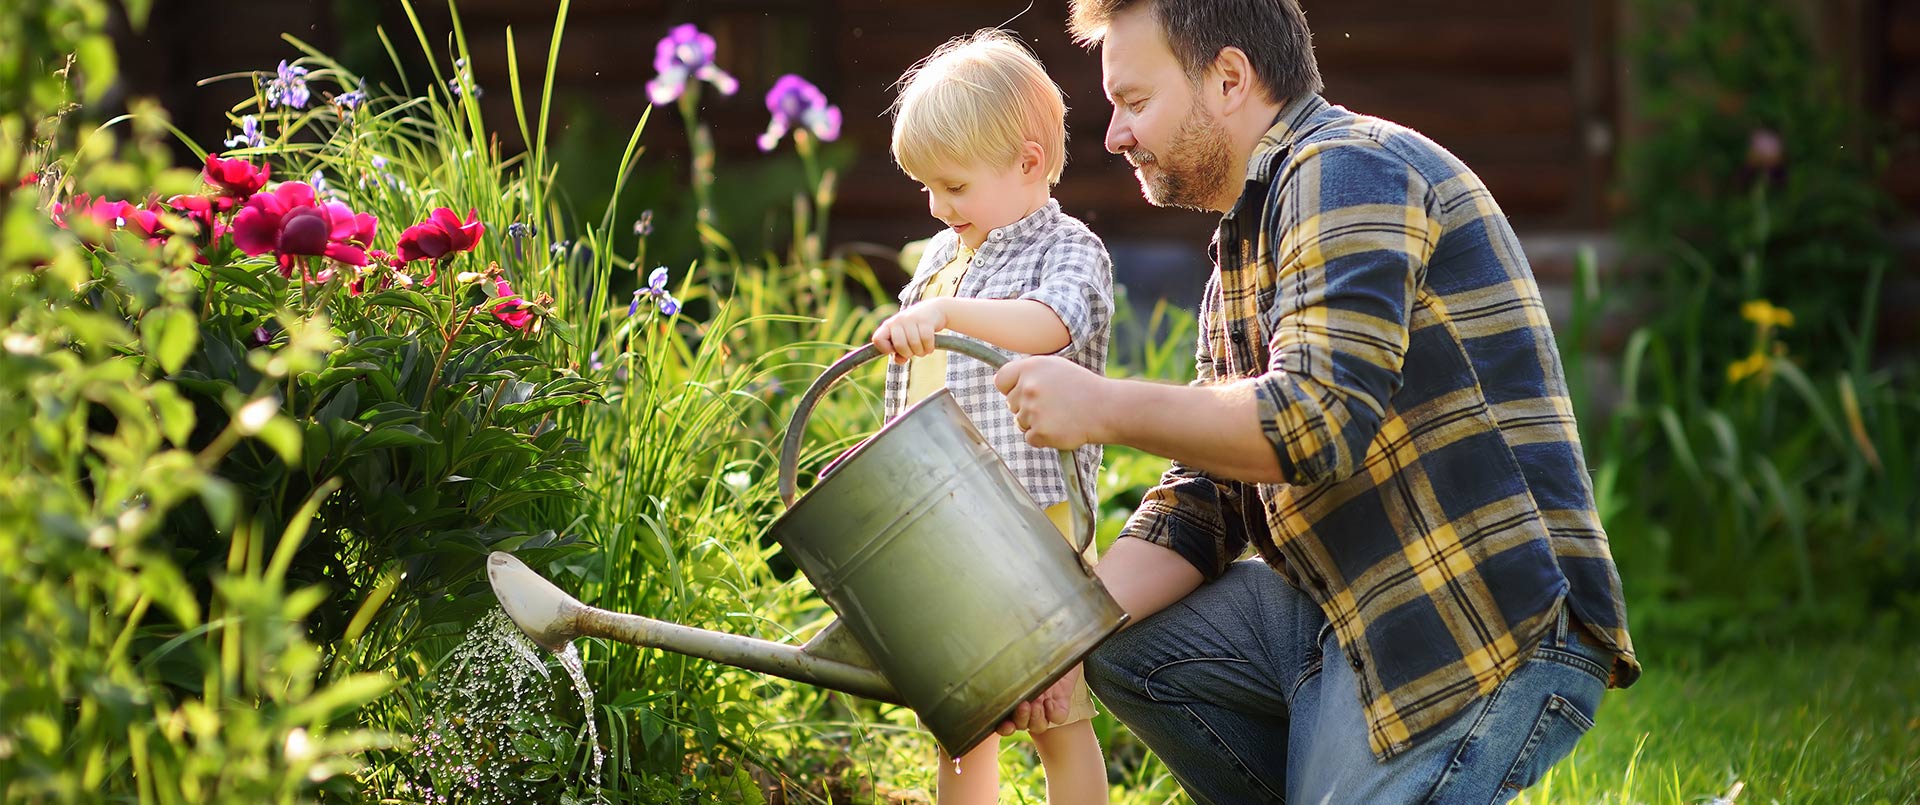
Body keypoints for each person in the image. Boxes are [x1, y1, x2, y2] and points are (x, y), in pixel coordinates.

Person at [990, 1, 1642, 801]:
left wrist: (1103, 405)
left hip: (1473, 623)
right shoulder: (1244, 247)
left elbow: (1314, 420)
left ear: (1229, 78)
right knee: (1121, 640)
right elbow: (1206, 498)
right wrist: (1051, 639)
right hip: (1348, 623)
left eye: (1134, 101)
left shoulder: (1348, 168)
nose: (1115, 135)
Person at [873, 28, 1117, 805]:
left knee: (1055, 712)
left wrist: (947, 312)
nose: (941, 208)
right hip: (942, 517)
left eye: (954, 186)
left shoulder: (1069, 250)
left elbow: (1051, 323)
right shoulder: (940, 262)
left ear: (1028, 162)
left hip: (1030, 518)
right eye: (927, 190)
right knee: (960, 712)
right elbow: (910, 390)